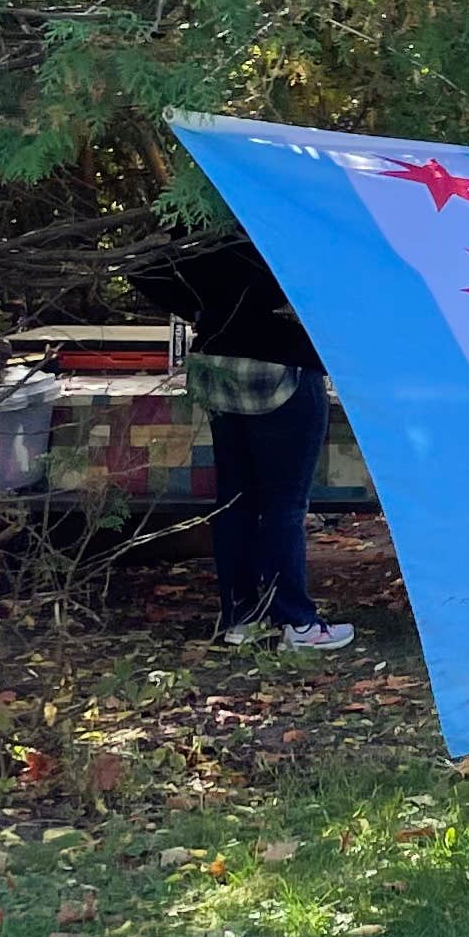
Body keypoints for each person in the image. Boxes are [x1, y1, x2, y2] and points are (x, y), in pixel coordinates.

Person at [133, 229, 355, 653]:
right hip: (281, 365)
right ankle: (297, 623)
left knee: (235, 500)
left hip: (215, 362)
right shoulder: (278, 215)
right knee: (284, 504)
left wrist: (200, 308)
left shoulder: (200, 220)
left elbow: (142, 268)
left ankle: (242, 618)